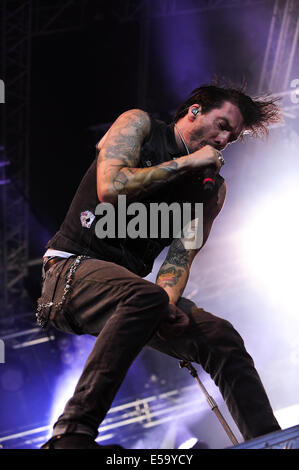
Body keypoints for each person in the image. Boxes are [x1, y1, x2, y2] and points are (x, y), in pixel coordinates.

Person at [37, 84, 282, 449]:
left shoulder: (210, 189)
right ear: (195, 111)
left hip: (131, 295)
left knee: (221, 337)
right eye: (222, 124)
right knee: (146, 296)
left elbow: (181, 257)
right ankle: (72, 432)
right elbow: (110, 188)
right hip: (70, 272)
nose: (226, 138)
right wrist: (187, 162)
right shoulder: (139, 127)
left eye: (234, 134)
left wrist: (167, 302)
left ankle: (271, 443)